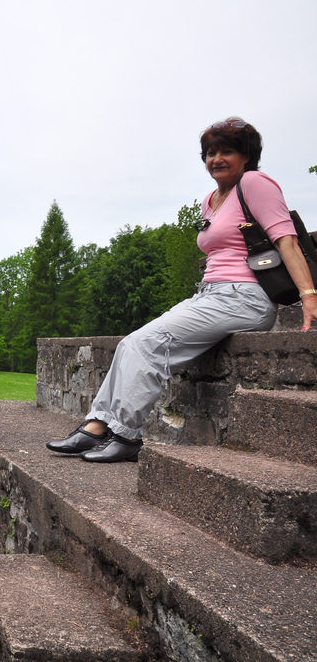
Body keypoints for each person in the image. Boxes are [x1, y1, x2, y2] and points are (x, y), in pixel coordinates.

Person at [47, 117, 317, 464]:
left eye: (226, 151)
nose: (215, 159)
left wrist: (309, 297)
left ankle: (126, 435)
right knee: (131, 343)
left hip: (244, 297)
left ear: (247, 156)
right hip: (211, 295)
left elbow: (287, 242)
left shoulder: (255, 183)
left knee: (146, 345)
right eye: (209, 153)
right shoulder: (212, 199)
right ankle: (97, 425)